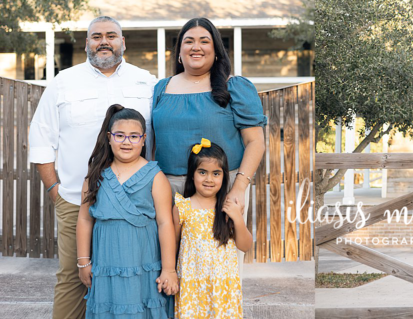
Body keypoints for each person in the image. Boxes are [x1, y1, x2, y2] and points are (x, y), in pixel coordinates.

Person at [28, 16, 157, 319]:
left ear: (123, 42)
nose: (104, 41)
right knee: (74, 277)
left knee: (132, 277)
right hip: (77, 200)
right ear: (86, 43)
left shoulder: (146, 82)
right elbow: (41, 138)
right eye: (96, 36)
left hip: (136, 203)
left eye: (111, 35)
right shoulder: (64, 81)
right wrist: (54, 189)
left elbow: (157, 136)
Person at [151, 17, 266, 206]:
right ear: (180, 51)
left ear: (216, 50)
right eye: (189, 41)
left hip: (221, 188)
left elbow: (255, 141)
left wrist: (238, 187)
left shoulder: (235, 87)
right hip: (168, 191)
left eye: (204, 41)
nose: (196, 47)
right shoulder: (161, 88)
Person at [76, 105, 177, 318]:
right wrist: (83, 261)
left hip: (143, 262)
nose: (126, 141)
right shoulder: (95, 176)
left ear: (143, 139)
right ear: (109, 137)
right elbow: (85, 220)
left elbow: (165, 223)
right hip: (107, 263)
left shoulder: (155, 176)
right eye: (120, 135)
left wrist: (169, 269)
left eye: (133, 136)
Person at [174, 139, 252, 319]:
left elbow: (245, 246)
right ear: (192, 175)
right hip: (192, 287)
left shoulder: (227, 207)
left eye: (216, 173)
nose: (209, 179)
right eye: (202, 172)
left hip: (223, 288)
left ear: (223, 176)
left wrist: (237, 218)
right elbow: (174, 244)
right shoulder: (182, 208)